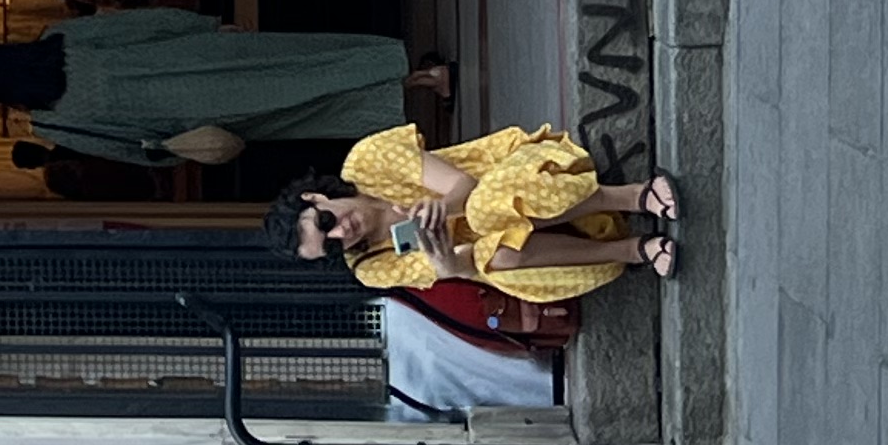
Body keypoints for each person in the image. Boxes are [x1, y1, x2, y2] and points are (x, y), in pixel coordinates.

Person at [0, 9, 449, 165]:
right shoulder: (60, 39)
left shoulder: (50, 119)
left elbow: (128, 152)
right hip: (200, 59)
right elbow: (142, 24)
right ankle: (420, 75)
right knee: (304, 63)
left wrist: (177, 150)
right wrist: (202, 26)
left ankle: (412, 92)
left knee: (305, 111)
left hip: (195, 115)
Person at [270, 126, 685, 303]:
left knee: (484, 209)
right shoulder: (369, 267)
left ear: (315, 198)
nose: (343, 231)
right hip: (513, 244)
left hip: (516, 176)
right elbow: (466, 264)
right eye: (332, 246)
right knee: (494, 260)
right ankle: (631, 251)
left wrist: (442, 208)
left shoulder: (366, 163)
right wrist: (445, 261)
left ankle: (633, 196)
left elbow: (463, 185)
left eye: (326, 222)